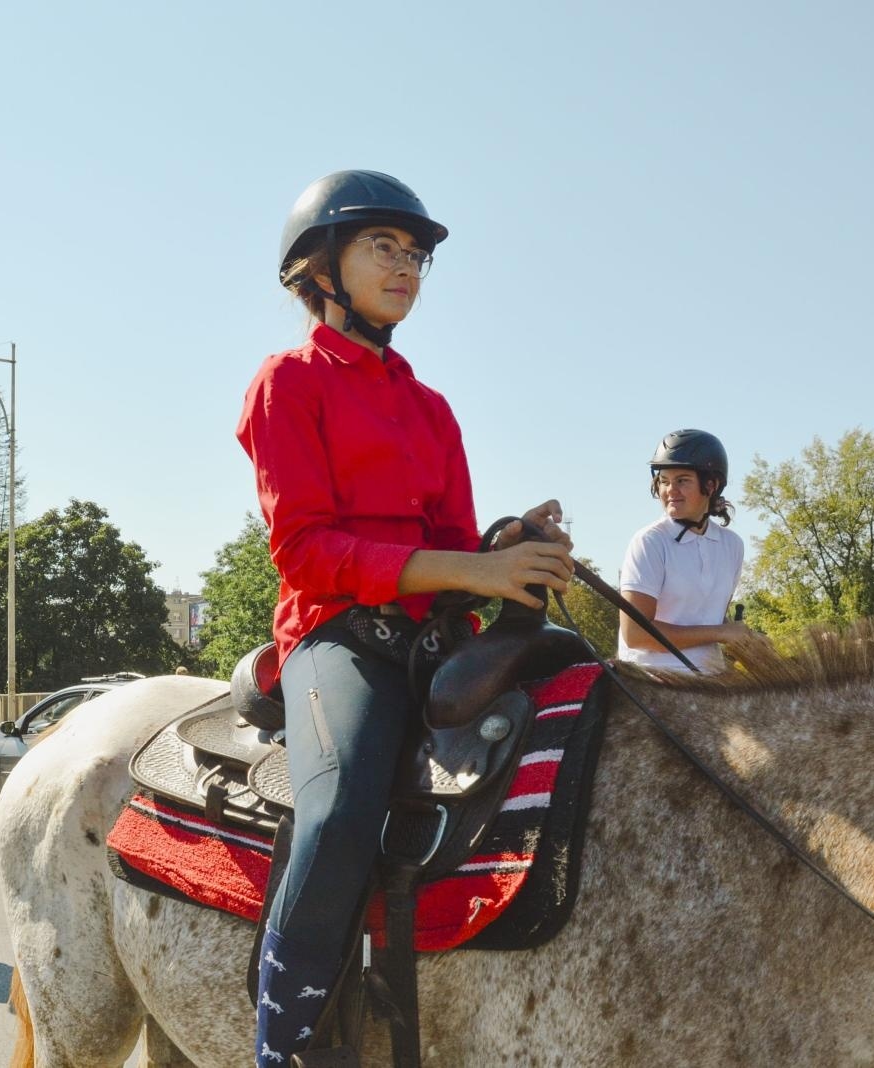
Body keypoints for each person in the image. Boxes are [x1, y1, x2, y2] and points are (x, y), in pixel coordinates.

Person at [238, 170, 575, 1066]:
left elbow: (457, 547)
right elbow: (307, 552)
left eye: (416, 254)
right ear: (321, 267)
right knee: (342, 808)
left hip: (436, 641)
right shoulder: (287, 382)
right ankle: (282, 1039)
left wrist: (511, 551)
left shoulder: (432, 408)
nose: (407, 266)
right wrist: (476, 565)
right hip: (339, 638)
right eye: (383, 246)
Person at [616, 429, 755, 673]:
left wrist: (744, 640)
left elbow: (710, 618)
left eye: (682, 480)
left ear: (711, 485)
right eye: (664, 481)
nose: (670, 490)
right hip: (651, 680)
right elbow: (635, 634)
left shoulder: (732, 545)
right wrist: (722, 633)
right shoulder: (649, 542)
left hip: (711, 678)